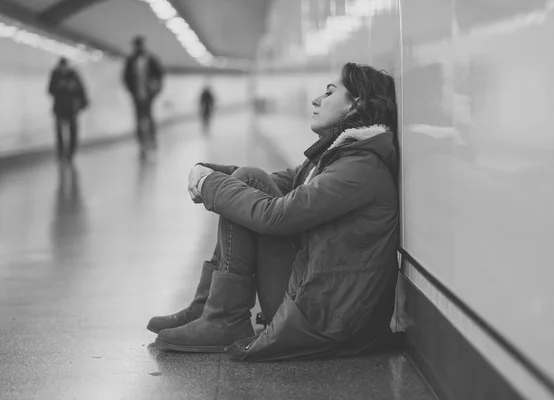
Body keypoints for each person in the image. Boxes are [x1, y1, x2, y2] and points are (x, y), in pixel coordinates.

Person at [148, 62, 400, 361]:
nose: (316, 100)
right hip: (321, 301)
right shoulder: (340, 157)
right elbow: (270, 181)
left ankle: (222, 318)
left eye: (329, 93)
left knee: (247, 185)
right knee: (247, 181)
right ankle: (210, 309)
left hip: (329, 319)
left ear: (355, 104)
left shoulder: (359, 168)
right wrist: (209, 172)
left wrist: (211, 184)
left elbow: (276, 216)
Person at [122, 35, 164, 158]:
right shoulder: (130, 61)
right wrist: (132, 91)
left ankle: (152, 141)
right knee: (139, 119)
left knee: (149, 118)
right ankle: (141, 144)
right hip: (136, 95)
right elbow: (125, 78)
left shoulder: (151, 59)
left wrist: (155, 90)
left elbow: (159, 76)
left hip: (149, 95)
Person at [48, 57, 88, 163]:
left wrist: (72, 87)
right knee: (59, 131)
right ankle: (61, 152)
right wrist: (59, 86)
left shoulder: (74, 74)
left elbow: (81, 89)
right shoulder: (55, 74)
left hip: (72, 108)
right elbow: (50, 90)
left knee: (73, 130)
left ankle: (71, 152)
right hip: (59, 108)